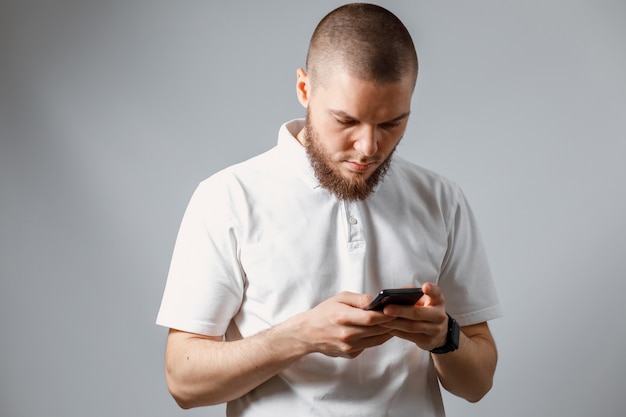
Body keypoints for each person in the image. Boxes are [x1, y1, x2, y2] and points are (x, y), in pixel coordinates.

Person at [156, 3, 503, 416]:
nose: (369, 147)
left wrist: (444, 336)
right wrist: (300, 336)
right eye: (346, 120)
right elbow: (183, 381)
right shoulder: (227, 198)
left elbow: (478, 383)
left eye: (392, 123)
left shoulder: (441, 200)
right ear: (304, 90)